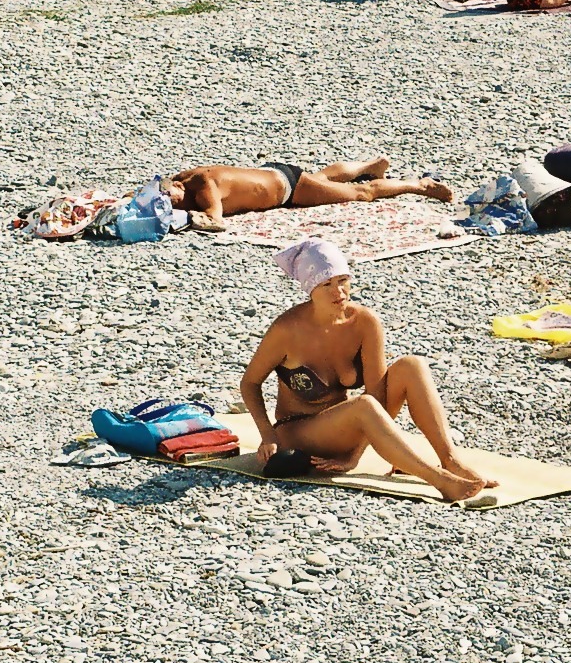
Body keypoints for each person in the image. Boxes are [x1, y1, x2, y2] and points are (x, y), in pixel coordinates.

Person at [239, 239, 494, 502]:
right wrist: (267, 434)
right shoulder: (287, 329)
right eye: (326, 284)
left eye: (343, 280)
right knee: (363, 406)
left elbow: (377, 394)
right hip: (297, 432)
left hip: (346, 426)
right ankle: (440, 480)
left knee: (412, 366)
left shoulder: (364, 322)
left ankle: (450, 460)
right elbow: (250, 383)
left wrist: (354, 455)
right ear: (310, 289)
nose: (338, 292)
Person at [162, 157, 452, 230]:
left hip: (289, 189)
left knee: (361, 193)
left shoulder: (202, 184)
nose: (171, 204)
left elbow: (215, 220)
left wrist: (180, 220)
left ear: (178, 186)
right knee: (322, 178)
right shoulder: (183, 179)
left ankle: (419, 185)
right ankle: (371, 166)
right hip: (275, 174)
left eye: (170, 199)